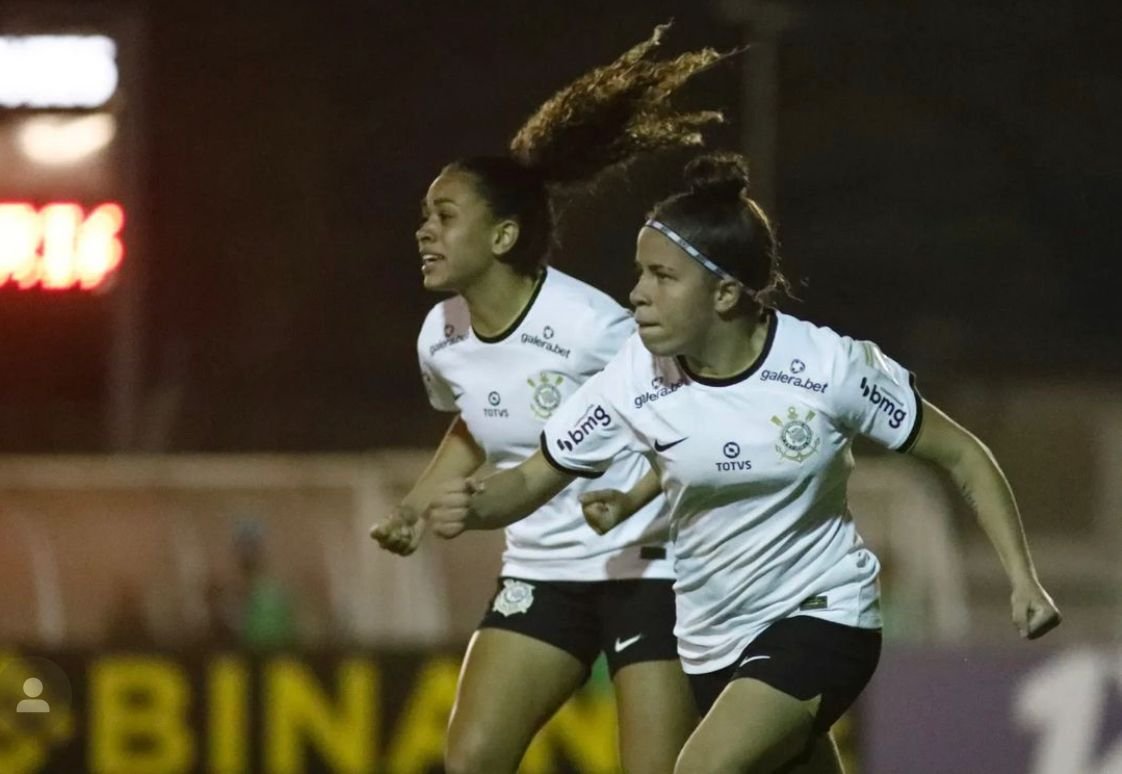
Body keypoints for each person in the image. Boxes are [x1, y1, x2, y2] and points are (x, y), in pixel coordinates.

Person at [424, 152, 1062, 773]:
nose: (637, 294)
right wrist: (478, 504)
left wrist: (1022, 579)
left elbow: (962, 454)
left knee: (701, 767)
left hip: (822, 615)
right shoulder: (635, 377)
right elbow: (537, 475)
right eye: (640, 273)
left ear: (725, 293)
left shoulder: (827, 369)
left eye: (662, 277)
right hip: (709, 640)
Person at [370, 25, 737, 774]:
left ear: (503, 235)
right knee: (471, 759)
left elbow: (689, 424)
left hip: (649, 572)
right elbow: (474, 425)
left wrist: (637, 504)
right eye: (423, 217)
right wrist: (413, 508)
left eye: (444, 216)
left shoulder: (592, 327)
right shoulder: (439, 336)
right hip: (541, 573)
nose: (423, 232)